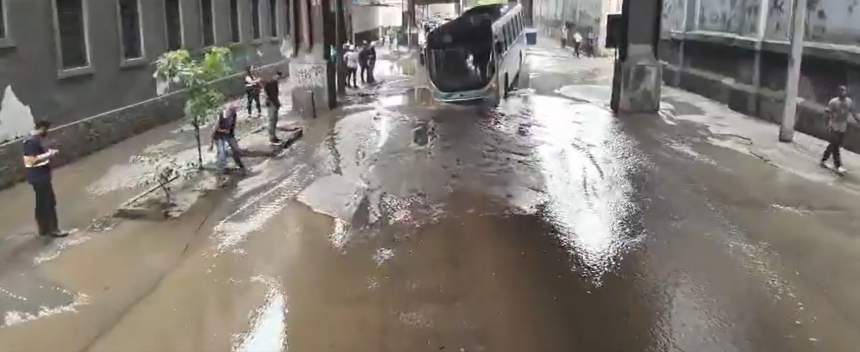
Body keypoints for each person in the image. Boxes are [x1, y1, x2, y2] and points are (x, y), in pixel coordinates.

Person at [22, 120, 67, 237]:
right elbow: (32, 160)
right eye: (46, 130)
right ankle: (54, 229)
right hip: (40, 176)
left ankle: (44, 229)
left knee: (41, 203)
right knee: (49, 202)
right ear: (41, 128)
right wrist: (49, 154)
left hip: (37, 176)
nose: (47, 132)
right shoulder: (31, 142)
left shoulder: (30, 139)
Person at [821, 85, 859, 174]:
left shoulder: (849, 102)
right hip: (834, 125)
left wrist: (858, 121)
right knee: (836, 145)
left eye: (844, 91)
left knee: (834, 144)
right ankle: (838, 165)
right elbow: (827, 113)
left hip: (843, 126)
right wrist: (827, 125)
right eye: (841, 91)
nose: (843, 93)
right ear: (838, 93)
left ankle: (824, 159)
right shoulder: (834, 102)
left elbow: (854, 113)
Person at [210, 106, 247, 178]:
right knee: (222, 152)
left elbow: (232, 128)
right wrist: (211, 143)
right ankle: (222, 171)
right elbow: (214, 129)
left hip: (228, 135)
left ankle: (240, 165)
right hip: (219, 136)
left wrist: (231, 136)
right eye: (231, 110)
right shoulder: (221, 116)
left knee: (236, 150)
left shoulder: (233, 115)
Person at [263, 71, 285, 144]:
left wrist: (278, 103)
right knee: (272, 120)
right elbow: (266, 90)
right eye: (277, 77)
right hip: (271, 103)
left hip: (274, 103)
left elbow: (275, 95)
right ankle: (272, 137)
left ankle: (273, 136)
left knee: (274, 120)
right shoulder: (271, 83)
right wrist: (267, 99)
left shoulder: (275, 83)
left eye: (279, 77)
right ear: (274, 76)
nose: (278, 78)